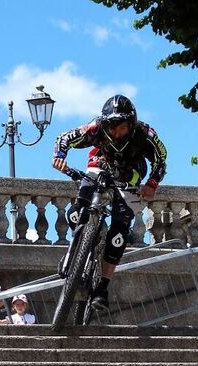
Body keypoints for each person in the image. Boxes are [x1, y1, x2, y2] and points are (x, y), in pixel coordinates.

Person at [52, 94, 167, 311]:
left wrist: (152, 183)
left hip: (130, 174)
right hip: (101, 165)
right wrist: (60, 155)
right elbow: (64, 137)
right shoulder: (95, 128)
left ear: (131, 124)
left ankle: (103, 287)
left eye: (121, 127)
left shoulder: (146, 134)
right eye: (111, 127)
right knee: (75, 212)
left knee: (119, 234)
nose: (115, 132)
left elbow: (161, 157)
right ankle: (80, 247)